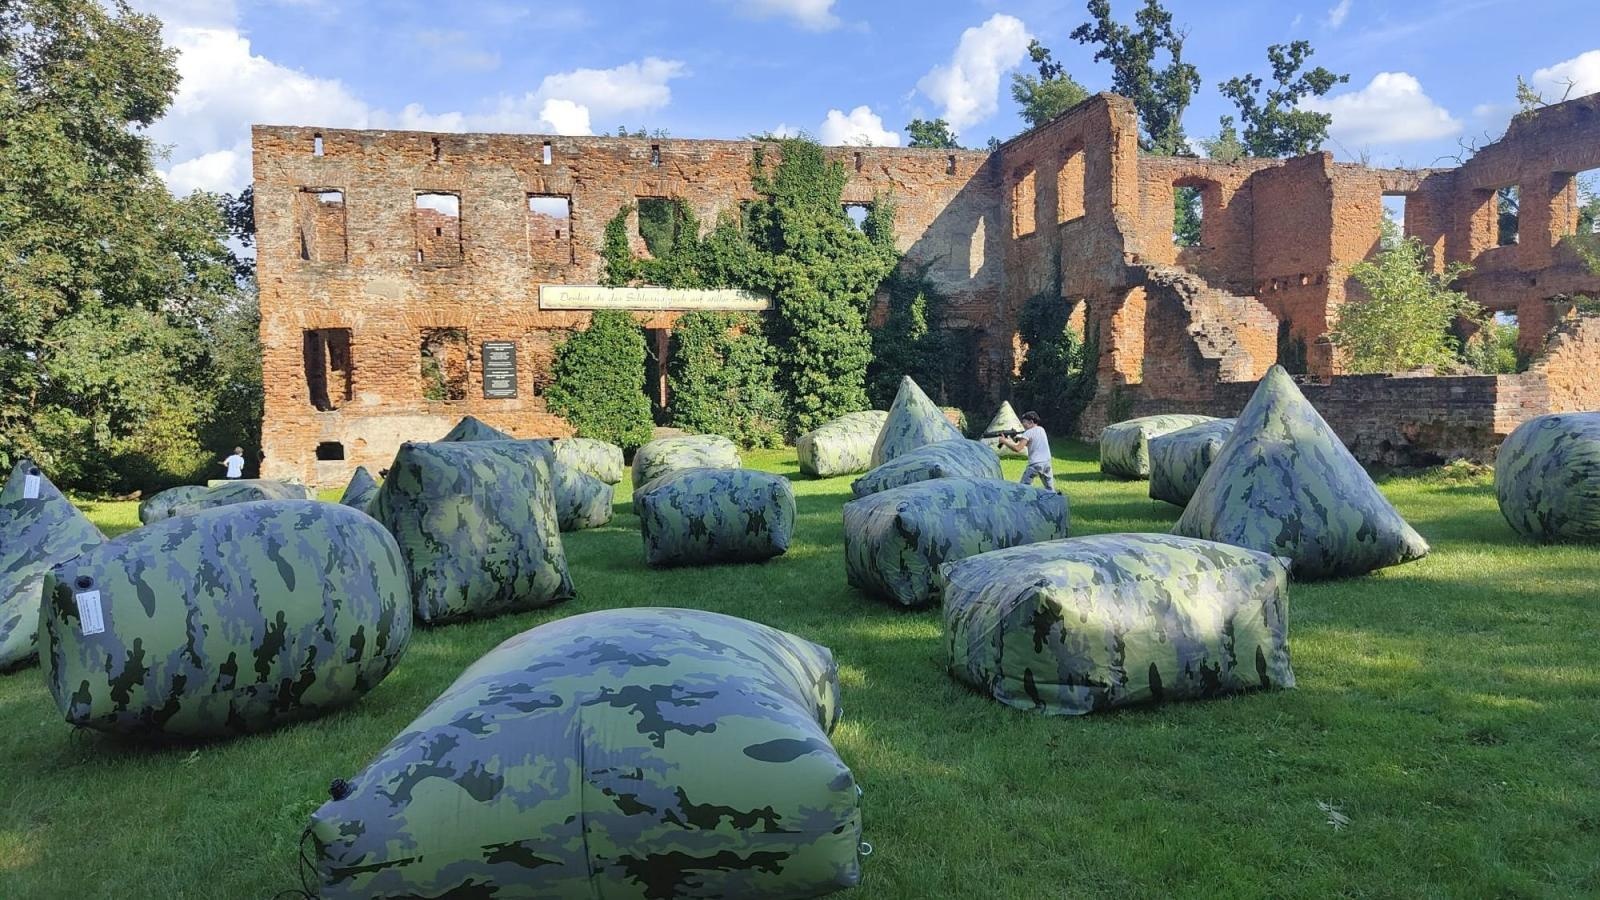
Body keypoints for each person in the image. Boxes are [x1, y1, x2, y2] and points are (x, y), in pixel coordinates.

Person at [999, 411, 1054, 491]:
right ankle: (1054, 500)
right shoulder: (1041, 429)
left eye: (1024, 422)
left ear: (1031, 422)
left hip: (1035, 464)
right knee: (1050, 489)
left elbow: (1017, 448)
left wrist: (1004, 441)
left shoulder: (1028, 433)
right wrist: (1017, 439)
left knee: (1023, 488)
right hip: (1046, 463)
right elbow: (1032, 444)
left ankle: (1021, 502)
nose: (1022, 424)